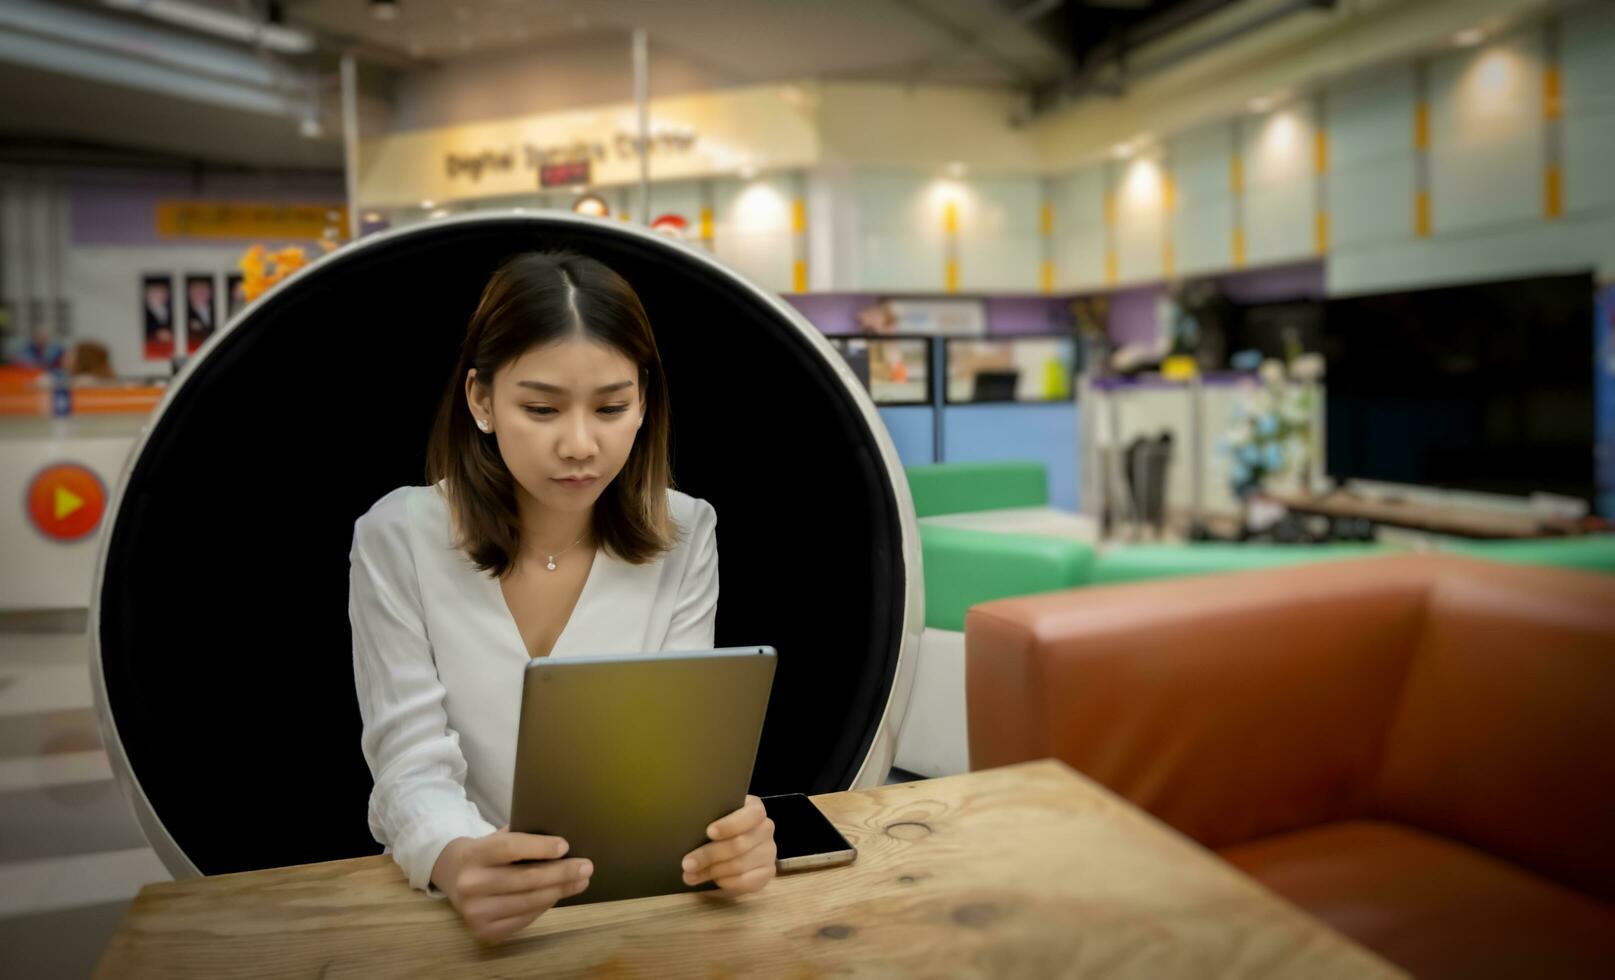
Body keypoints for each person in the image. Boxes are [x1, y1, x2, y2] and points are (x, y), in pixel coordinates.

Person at [348, 250, 776, 944]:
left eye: (611, 407)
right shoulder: (398, 535)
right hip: (456, 913)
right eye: (541, 408)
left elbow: (671, 758)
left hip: (633, 909)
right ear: (480, 400)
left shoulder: (686, 529)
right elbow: (408, 760)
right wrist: (454, 860)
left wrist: (728, 834)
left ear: (644, 403)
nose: (580, 445)